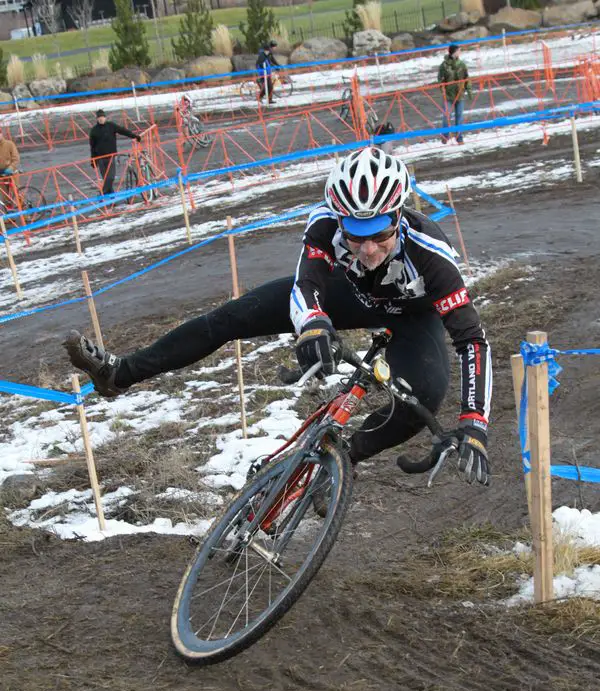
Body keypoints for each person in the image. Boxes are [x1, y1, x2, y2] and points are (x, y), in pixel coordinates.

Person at [64, 146, 491, 486]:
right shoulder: (325, 223)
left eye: (379, 235)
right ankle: (120, 373)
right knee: (231, 317)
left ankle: (344, 460)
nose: (367, 249)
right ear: (340, 218)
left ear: (398, 217)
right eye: (355, 236)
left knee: (425, 398)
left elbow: (472, 341)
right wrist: (312, 324)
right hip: (350, 293)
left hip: (412, 316)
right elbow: (307, 286)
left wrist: (474, 423)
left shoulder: (432, 257)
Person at [89, 109, 142, 196]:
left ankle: (102, 193)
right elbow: (92, 146)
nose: (101, 119)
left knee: (110, 178)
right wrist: (93, 160)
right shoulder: (94, 130)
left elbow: (122, 131)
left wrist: (134, 136)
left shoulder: (111, 126)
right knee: (106, 178)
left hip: (111, 156)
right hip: (100, 158)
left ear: (105, 117)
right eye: (99, 118)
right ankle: (112, 198)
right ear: (97, 119)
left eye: (102, 117)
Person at [437, 44, 472, 145]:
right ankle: (445, 135)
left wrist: (468, 90)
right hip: (448, 95)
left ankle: (459, 137)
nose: (460, 53)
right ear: (454, 52)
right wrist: (442, 89)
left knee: (459, 117)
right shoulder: (444, 65)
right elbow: (440, 79)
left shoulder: (462, 64)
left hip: (460, 94)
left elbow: (466, 77)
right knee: (446, 116)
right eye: (459, 51)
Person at [255, 40, 279, 105]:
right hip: (263, 73)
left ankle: (269, 99)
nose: (269, 52)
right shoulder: (262, 55)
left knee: (270, 87)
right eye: (268, 51)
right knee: (267, 86)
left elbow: (271, 61)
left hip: (267, 73)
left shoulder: (267, 54)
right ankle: (260, 97)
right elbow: (259, 63)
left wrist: (277, 66)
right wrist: (264, 69)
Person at [0, 132, 20, 208]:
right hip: (1, 175)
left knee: (17, 194)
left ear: (1, 134)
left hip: (12, 173)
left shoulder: (9, 144)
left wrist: (10, 168)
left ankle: (25, 215)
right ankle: (10, 217)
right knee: (5, 197)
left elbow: (16, 159)